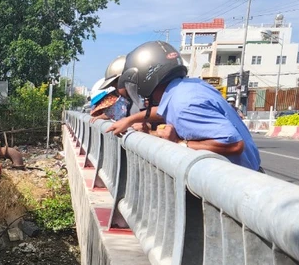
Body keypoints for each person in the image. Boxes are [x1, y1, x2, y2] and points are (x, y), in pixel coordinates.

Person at [107, 41, 261, 171]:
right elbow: (163, 111)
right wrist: (130, 120)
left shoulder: (183, 103)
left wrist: (179, 143)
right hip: (246, 175)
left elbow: (234, 144)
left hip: (238, 184)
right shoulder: (187, 87)